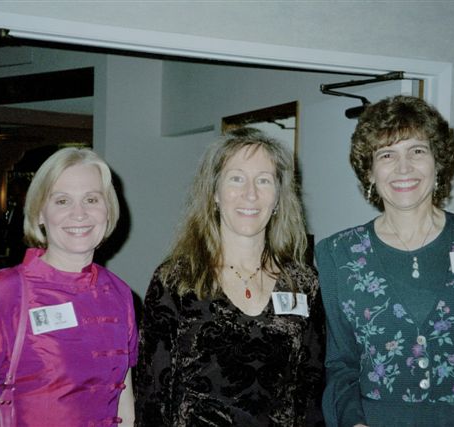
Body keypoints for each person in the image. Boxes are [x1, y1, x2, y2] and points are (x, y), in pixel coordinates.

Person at [316, 95, 454, 426]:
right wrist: (352, 421)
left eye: (417, 151)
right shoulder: (338, 253)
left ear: (438, 162)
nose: (404, 167)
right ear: (369, 171)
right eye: (387, 154)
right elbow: (340, 364)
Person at [0, 148, 137, 426]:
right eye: (62, 201)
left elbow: (124, 407)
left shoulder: (119, 294)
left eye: (91, 199)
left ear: (108, 210)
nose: (79, 214)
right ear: (40, 212)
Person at [134, 128, 325, 426]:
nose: (251, 193)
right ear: (214, 193)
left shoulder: (303, 284)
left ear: (278, 198)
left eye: (264, 180)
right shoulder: (176, 280)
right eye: (236, 178)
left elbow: (310, 394)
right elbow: (152, 395)